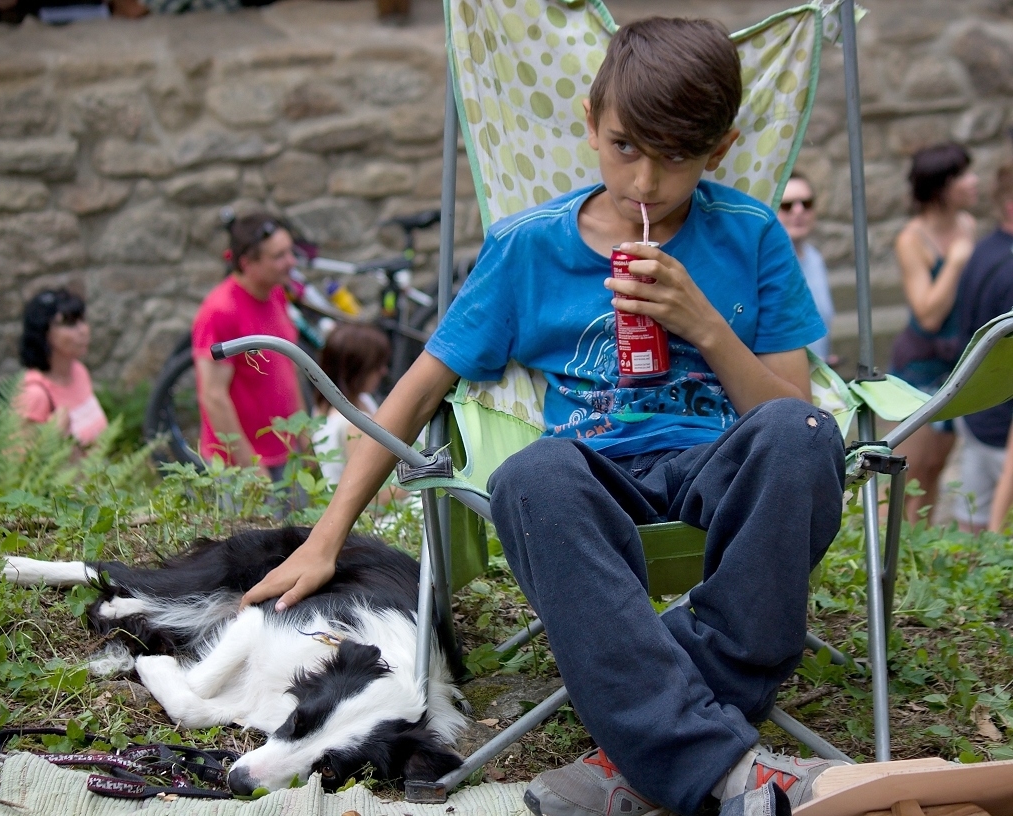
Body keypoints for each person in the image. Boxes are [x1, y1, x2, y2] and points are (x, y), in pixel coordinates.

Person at [241, 17, 846, 816]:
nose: (646, 180)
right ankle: (717, 761)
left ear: (721, 149)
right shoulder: (528, 249)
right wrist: (327, 538)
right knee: (530, 476)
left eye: (677, 156)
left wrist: (702, 322)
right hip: (596, 477)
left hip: (718, 462)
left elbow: (787, 410)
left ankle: (644, 755)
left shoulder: (752, 233)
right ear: (591, 125)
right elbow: (416, 390)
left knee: (804, 436)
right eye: (626, 146)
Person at [889, 143, 978, 524]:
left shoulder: (968, 225)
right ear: (942, 186)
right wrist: (956, 261)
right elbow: (926, 313)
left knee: (937, 467)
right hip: (920, 368)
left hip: (957, 362)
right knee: (907, 471)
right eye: (963, 175)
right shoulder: (912, 239)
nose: (974, 182)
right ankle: (894, 551)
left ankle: (919, 544)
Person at [192, 211, 308, 481]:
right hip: (244, 468)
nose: (291, 262)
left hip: (287, 457)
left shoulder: (275, 292)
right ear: (246, 263)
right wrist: (250, 467)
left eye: (290, 252)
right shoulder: (220, 311)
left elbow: (286, 371)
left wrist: (304, 440)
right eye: (278, 256)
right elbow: (213, 396)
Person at [953, 163, 1013, 532]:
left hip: (974, 413)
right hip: (1002, 431)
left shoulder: (984, 251)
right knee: (993, 533)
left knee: (968, 530)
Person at [311, 323, 403, 508]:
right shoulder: (351, 426)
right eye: (376, 366)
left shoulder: (328, 405)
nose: (383, 371)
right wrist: (418, 483)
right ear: (355, 370)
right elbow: (372, 497)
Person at [15, 288, 108, 446]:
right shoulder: (34, 394)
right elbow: (19, 464)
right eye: (70, 323)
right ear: (44, 332)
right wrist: (52, 437)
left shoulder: (78, 370)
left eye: (82, 320)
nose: (83, 330)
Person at [778, 172, 835, 362]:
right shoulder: (766, 265)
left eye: (806, 203)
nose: (798, 211)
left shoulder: (815, 258)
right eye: (787, 206)